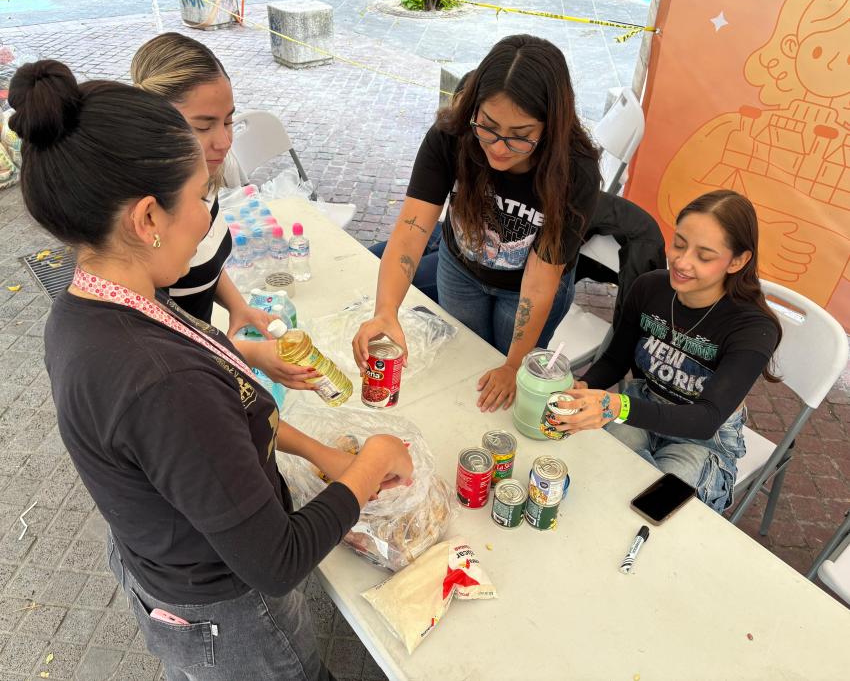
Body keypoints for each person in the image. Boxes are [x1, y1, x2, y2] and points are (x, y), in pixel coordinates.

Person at [11, 60, 413, 680]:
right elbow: (276, 563)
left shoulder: (92, 303)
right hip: (228, 613)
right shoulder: (160, 382)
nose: (208, 217)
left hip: (163, 568)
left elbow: (190, 427)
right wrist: (370, 464)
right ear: (147, 220)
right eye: (201, 197)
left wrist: (257, 373)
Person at [353, 34, 601, 413]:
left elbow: (540, 280)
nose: (499, 147)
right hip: (461, 271)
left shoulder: (574, 169)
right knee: (462, 365)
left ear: (551, 127)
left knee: (504, 384)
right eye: (487, 125)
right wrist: (386, 311)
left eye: (520, 137)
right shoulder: (451, 135)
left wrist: (514, 364)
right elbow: (411, 231)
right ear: (474, 110)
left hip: (526, 290)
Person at [553, 190, 781, 512]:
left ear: (738, 260)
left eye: (704, 256)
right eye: (679, 243)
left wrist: (613, 405)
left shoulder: (753, 328)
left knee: (650, 507)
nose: (682, 262)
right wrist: (585, 387)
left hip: (703, 440)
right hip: (642, 404)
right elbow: (615, 360)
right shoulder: (648, 287)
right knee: (594, 477)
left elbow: (706, 419)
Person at [131, 32, 315, 392]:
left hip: (209, 356)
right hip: (182, 377)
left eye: (228, 120)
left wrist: (237, 306)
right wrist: (248, 354)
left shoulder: (201, 179)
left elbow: (205, 259)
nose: (225, 141)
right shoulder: (143, 219)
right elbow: (165, 340)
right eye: (203, 126)